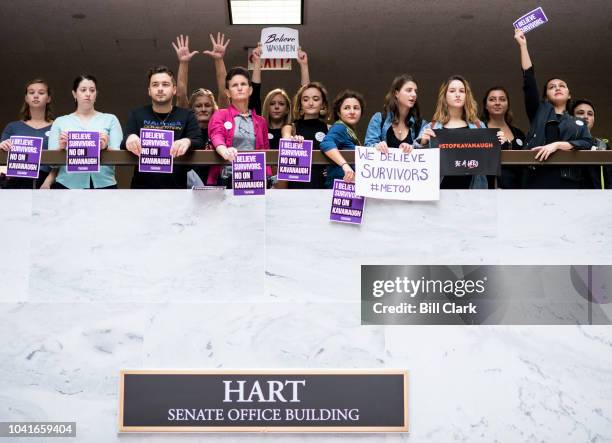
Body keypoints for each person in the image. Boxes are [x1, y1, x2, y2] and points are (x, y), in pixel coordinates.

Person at [514, 29, 592, 189]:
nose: (557, 88)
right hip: (535, 177)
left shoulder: (578, 122)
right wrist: (523, 46)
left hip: (566, 182)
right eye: (552, 87)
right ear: (545, 96)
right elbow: (529, 79)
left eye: (562, 86)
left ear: (569, 95)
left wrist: (557, 145)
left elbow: (586, 143)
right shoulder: (538, 110)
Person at [124, 65, 204, 189]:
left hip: (177, 188)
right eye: (155, 85)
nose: (160, 89)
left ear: (174, 89)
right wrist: (130, 137)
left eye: (165, 84)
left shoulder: (187, 115)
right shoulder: (137, 114)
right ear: (149, 90)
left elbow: (199, 141)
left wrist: (187, 141)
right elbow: (124, 142)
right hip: (142, 189)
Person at [424, 75, 506, 189]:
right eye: (452, 91)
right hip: (440, 192)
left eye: (462, 91)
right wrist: (423, 143)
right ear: (444, 96)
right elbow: (418, 161)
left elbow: (488, 160)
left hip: (473, 192)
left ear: (467, 96)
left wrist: (498, 142)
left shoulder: (478, 126)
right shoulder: (432, 127)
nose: (458, 94)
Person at [47, 75, 122, 189]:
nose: (88, 94)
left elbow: (118, 158)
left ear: (96, 94)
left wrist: (105, 147)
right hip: (67, 185)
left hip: (104, 185)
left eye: (92, 90)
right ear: (74, 94)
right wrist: (61, 149)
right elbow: (52, 163)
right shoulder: (60, 121)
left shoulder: (110, 119)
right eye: (83, 90)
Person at [207, 66, 272, 187]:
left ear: (250, 90)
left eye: (243, 84)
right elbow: (216, 136)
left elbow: (265, 151)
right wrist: (224, 150)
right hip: (227, 178)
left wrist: (268, 179)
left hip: (255, 179)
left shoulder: (260, 121)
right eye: (234, 85)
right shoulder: (221, 114)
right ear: (228, 93)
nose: (240, 88)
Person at [0, 78, 54, 189]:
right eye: (31, 92)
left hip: (45, 182)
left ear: (48, 98)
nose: (35, 96)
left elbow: (61, 162)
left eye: (41, 93)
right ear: (26, 98)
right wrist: (2, 147)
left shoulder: (57, 126)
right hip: (15, 181)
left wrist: (48, 182)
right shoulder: (12, 127)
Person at [256, 46, 310, 149]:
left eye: (281, 104)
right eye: (272, 104)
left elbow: (306, 94)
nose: (276, 107)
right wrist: (257, 62)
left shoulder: (296, 129)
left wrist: (304, 65)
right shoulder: (258, 128)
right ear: (266, 107)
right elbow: (254, 93)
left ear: (287, 109)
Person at [281, 81, 330, 189]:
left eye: (316, 99)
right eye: (306, 99)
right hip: (297, 186)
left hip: (322, 186)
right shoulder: (291, 127)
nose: (311, 103)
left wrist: (332, 169)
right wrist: (292, 140)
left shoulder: (330, 129)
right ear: (300, 104)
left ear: (323, 104)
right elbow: (286, 139)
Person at [365, 74, 431, 153]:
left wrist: (412, 147)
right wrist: (376, 146)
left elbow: (425, 154)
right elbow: (368, 146)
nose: (414, 94)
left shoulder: (421, 125)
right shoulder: (378, 118)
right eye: (409, 90)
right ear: (396, 93)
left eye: (415, 91)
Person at [481, 86, 527, 188]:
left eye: (502, 99)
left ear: (507, 105)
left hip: (517, 191)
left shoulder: (519, 134)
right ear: (486, 105)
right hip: (487, 191)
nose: (497, 103)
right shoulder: (480, 131)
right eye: (492, 99)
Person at [319, 90, 365, 188]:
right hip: (338, 190)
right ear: (339, 113)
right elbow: (326, 143)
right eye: (347, 108)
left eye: (356, 108)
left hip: (347, 189)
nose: (352, 112)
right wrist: (345, 165)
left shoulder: (349, 131)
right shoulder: (340, 127)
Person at [570, 99, 611, 189]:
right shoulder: (563, 142)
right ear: (570, 118)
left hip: (596, 199)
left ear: (593, 119)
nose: (585, 116)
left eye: (590, 114)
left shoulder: (602, 145)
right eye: (580, 113)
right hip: (568, 197)